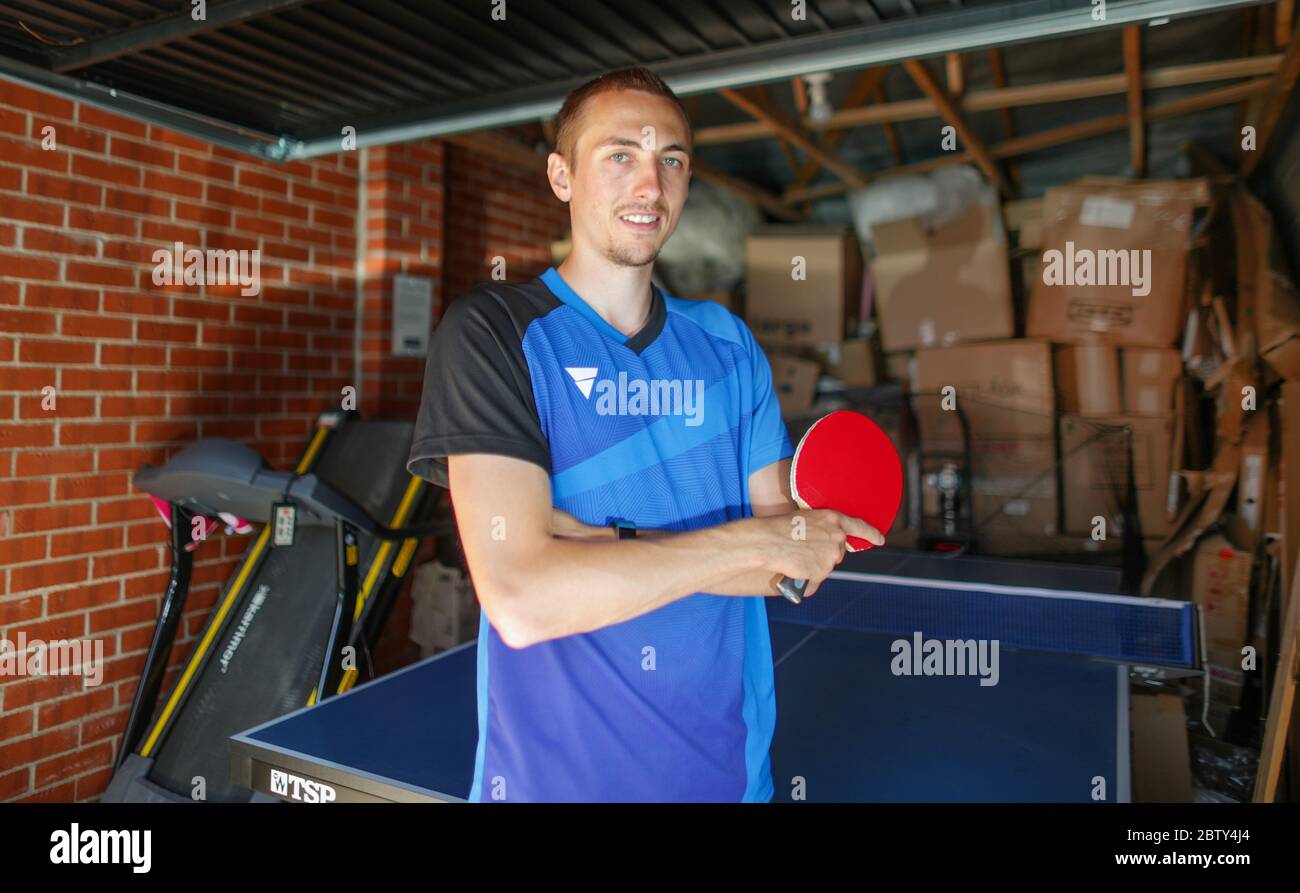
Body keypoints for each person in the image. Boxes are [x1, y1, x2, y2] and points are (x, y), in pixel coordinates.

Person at [407, 66, 880, 803]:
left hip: (730, 778)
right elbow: (524, 599)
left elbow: (784, 567)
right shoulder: (494, 332)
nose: (651, 187)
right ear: (561, 176)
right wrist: (754, 540)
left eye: (672, 161)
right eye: (620, 154)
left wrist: (597, 538)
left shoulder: (728, 345)